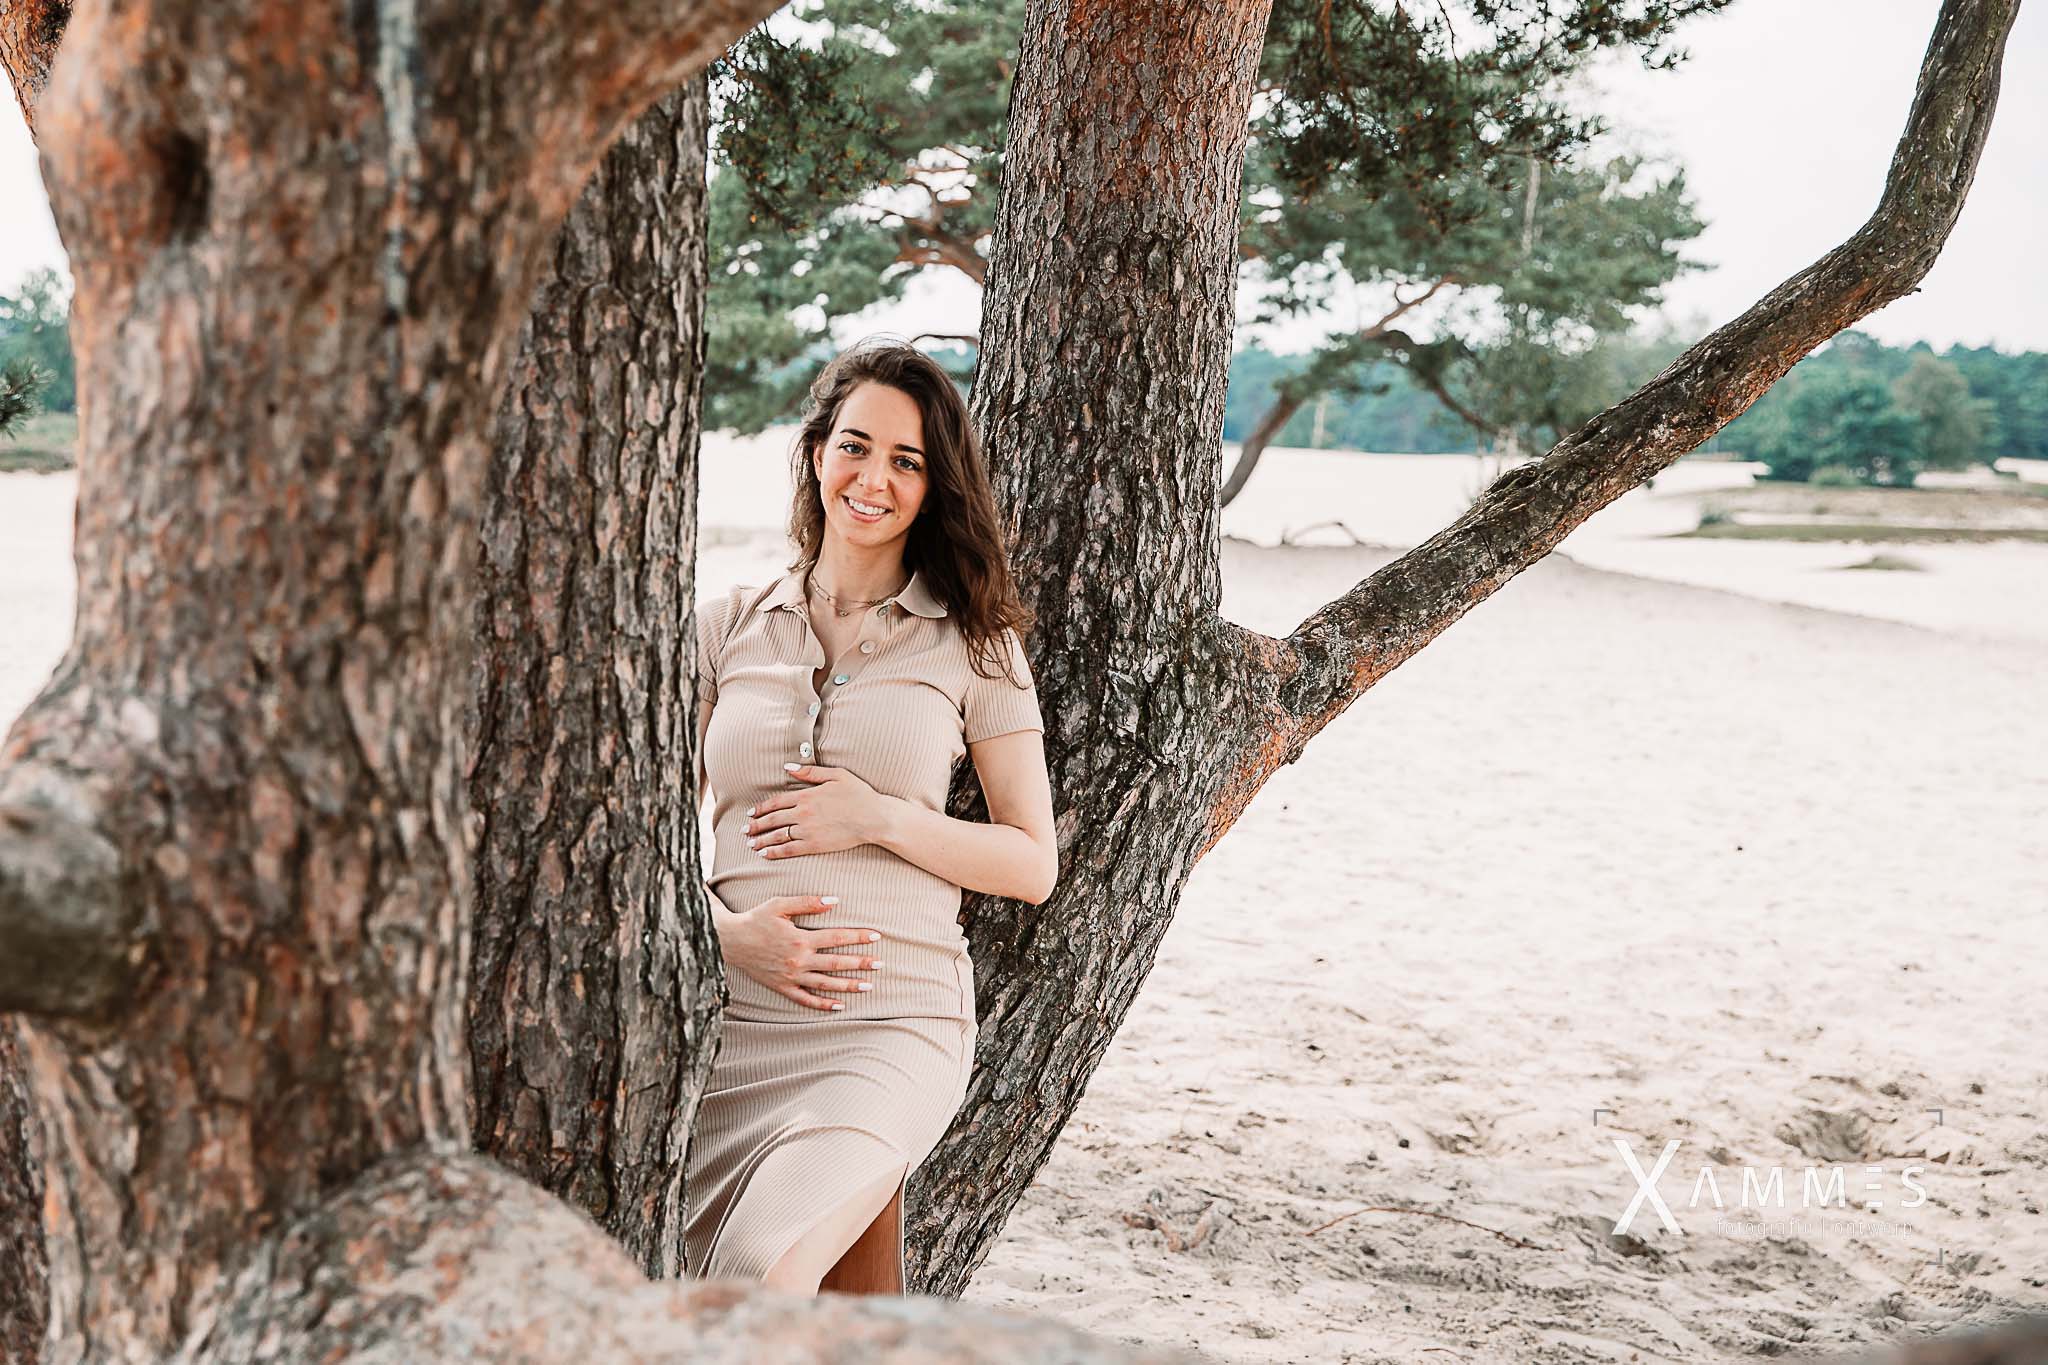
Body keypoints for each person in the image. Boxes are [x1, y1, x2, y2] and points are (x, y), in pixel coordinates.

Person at [684, 339, 1059, 1293]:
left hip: (892, 1022)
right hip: (729, 1027)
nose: (874, 478)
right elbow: (638, 841)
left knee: (753, 1271)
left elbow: (1030, 860)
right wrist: (727, 935)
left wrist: (879, 818)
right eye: (856, 446)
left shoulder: (974, 641)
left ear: (934, 488)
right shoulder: (726, 624)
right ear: (817, 452)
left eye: (907, 461)